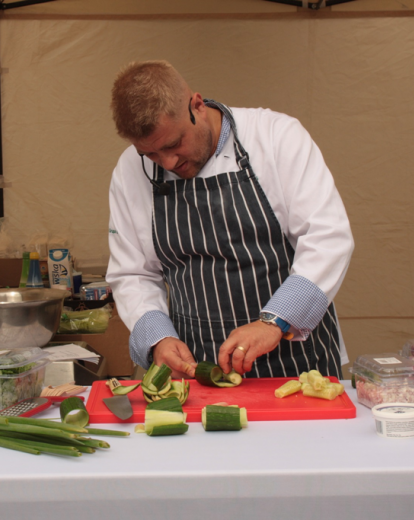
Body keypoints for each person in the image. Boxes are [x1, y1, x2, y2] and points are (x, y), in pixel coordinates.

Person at [106, 60, 354, 380]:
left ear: (197, 105)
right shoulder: (129, 171)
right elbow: (132, 272)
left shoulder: (276, 136)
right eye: (151, 154)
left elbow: (328, 238)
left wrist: (274, 321)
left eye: (173, 144)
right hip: (198, 366)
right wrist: (158, 338)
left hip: (296, 360)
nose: (168, 162)